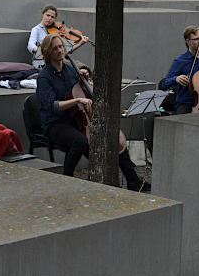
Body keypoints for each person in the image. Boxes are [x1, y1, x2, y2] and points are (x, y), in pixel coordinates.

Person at [35, 33, 150, 191]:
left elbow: (83, 92)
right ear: (48, 52)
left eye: (61, 46)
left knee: (112, 133)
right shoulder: (44, 77)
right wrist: (76, 101)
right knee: (80, 141)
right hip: (56, 123)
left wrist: (85, 79)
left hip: (75, 119)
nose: (60, 50)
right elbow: (52, 106)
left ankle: (133, 180)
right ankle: (67, 178)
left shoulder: (69, 69)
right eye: (55, 48)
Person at [27, 4, 89, 68]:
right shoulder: (36, 29)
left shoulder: (56, 31)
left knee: (81, 67)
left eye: (52, 17)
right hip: (42, 63)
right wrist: (43, 51)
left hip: (56, 63)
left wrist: (80, 44)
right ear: (42, 14)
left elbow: (66, 51)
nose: (49, 18)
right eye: (48, 15)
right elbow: (30, 45)